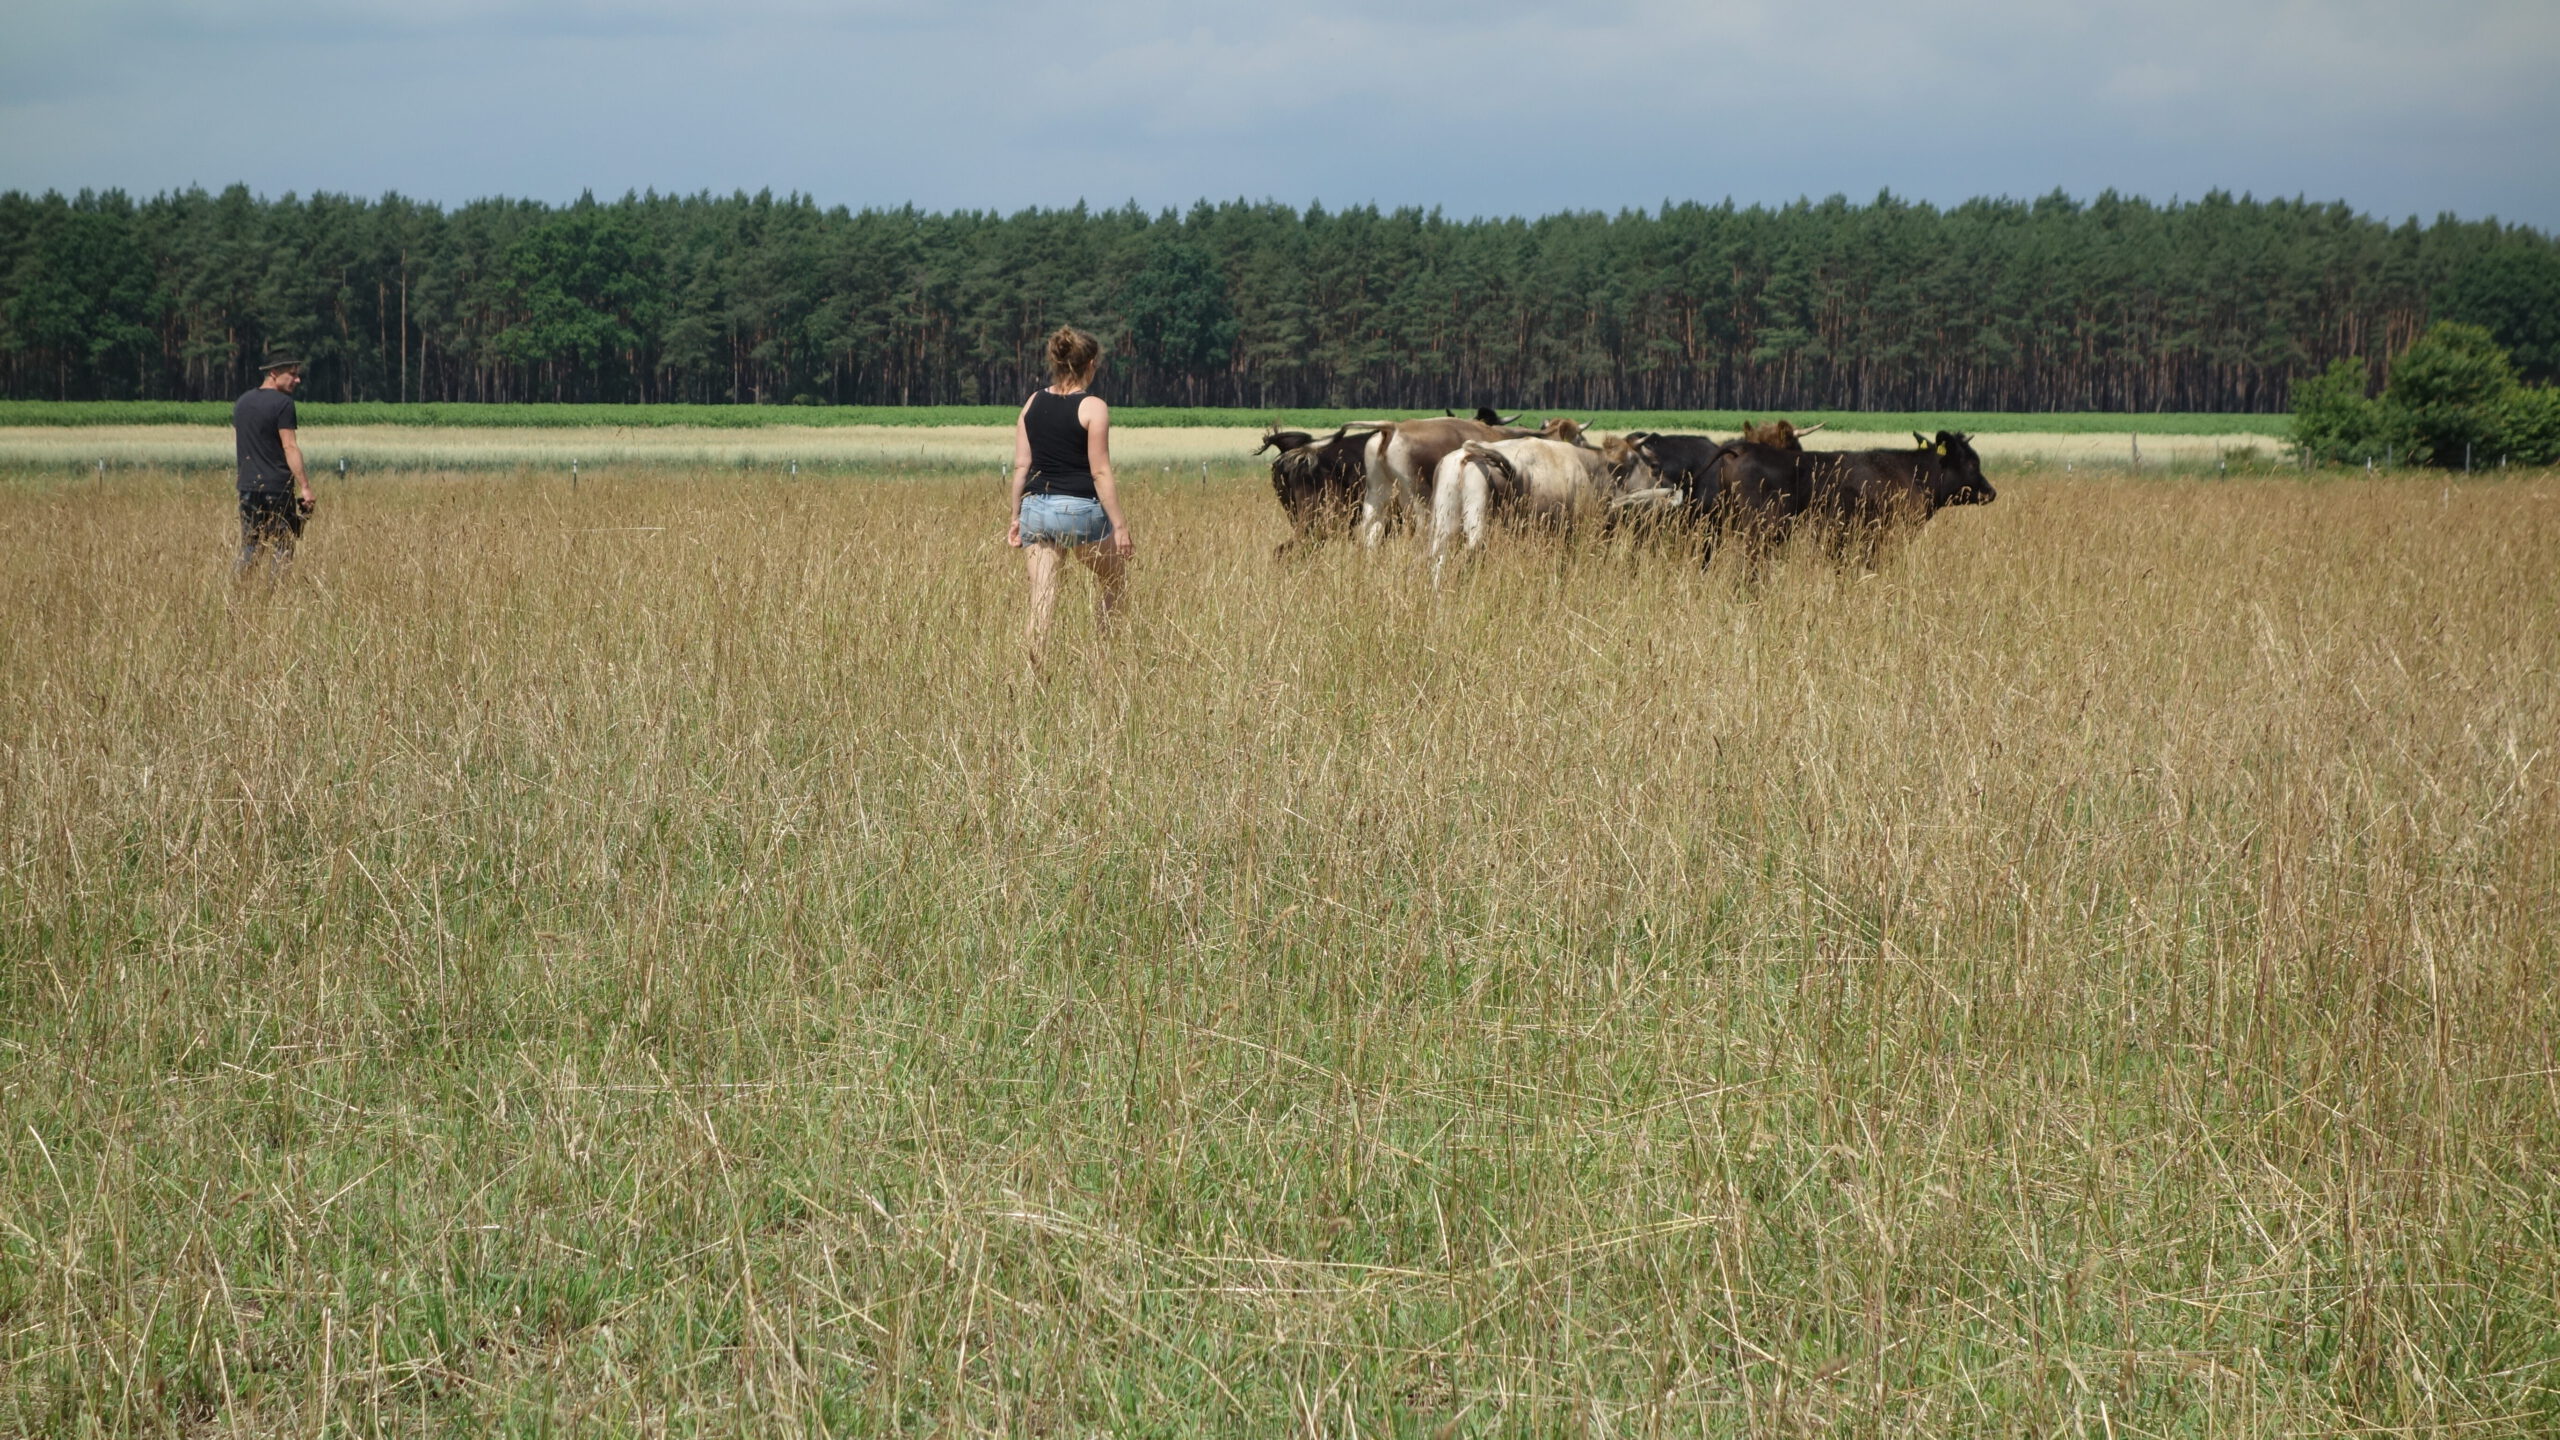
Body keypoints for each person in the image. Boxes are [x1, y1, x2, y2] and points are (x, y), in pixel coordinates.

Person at [1008, 325, 1131, 665]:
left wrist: (1015, 517)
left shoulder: (1032, 402)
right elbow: (1100, 471)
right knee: (1114, 580)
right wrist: (1119, 526)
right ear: (1090, 363)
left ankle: (1034, 677)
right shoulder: (1093, 407)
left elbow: (1021, 467)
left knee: (1042, 598)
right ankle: (1103, 662)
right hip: (1080, 511)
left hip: (1034, 509)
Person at [233, 352, 316, 579]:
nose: (297, 380)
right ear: (273, 373)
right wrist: (305, 487)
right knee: (283, 544)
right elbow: (289, 446)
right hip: (277, 487)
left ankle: (237, 593)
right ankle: (275, 596)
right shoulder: (283, 404)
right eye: (292, 374)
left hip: (247, 486)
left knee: (251, 545)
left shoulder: (242, 403)